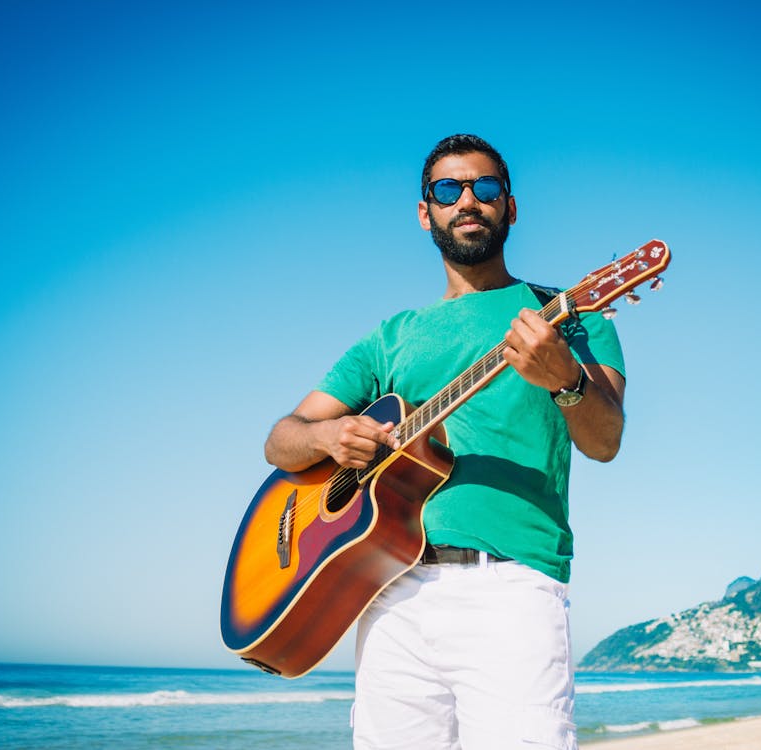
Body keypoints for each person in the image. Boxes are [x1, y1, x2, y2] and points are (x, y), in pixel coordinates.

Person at [263, 134, 627, 749]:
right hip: (387, 592)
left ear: (510, 208)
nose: (468, 201)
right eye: (447, 190)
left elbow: (605, 439)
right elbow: (282, 441)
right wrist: (331, 435)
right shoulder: (391, 337)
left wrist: (564, 380)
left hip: (511, 589)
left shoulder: (566, 316)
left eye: (485, 188)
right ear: (424, 211)